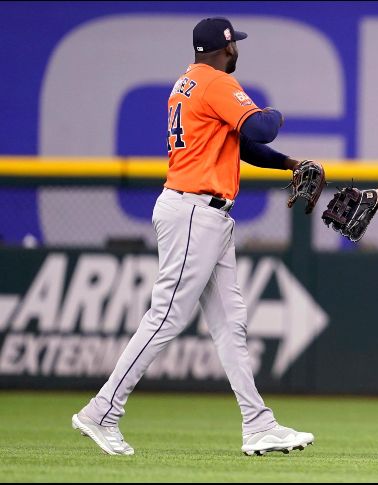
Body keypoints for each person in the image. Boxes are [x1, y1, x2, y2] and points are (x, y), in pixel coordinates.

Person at [71, 17, 315, 456]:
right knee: (166, 316)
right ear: (225, 49)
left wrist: (288, 164)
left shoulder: (187, 82)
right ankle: (102, 410)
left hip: (205, 213)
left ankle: (257, 424)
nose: (237, 51)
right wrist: (278, 111)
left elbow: (243, 145)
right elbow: (259, 127)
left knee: (230, 325)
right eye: (234, 45)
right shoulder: (215, 82)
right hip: (193, 211)